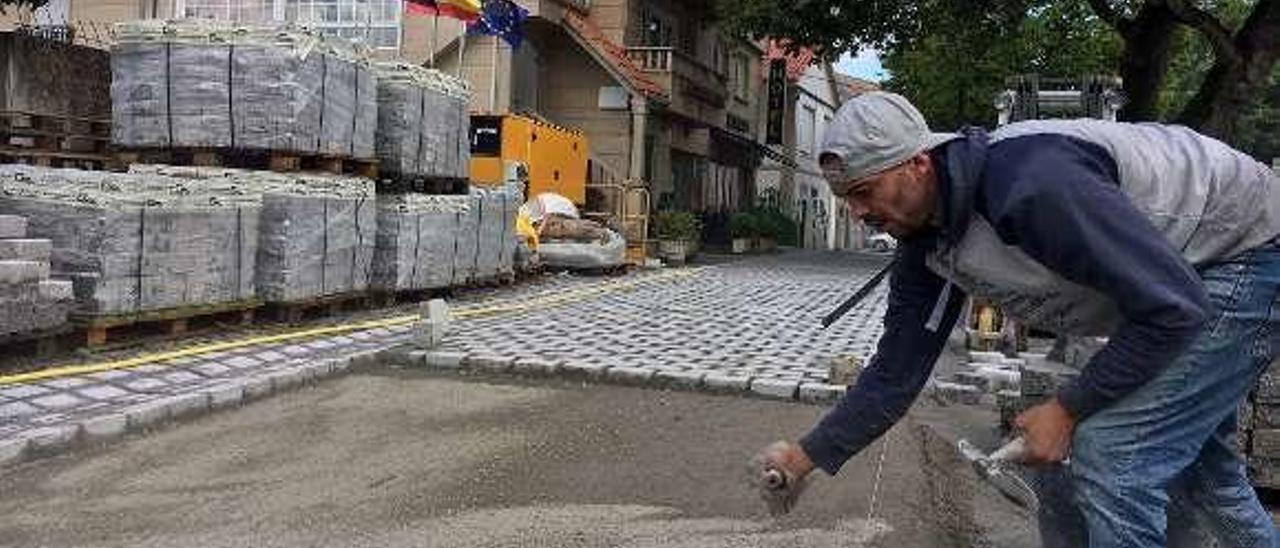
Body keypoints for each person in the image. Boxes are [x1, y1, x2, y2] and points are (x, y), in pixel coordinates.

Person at [755, 91, 1280, 547]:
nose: (859, 214)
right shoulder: (926, 241)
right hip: (1190, 275)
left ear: (917, 163)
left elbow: (1173, 307)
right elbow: (896, 374)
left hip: (1248, 248)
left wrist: (1067, 409)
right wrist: (805, 457)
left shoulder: (1031, 186)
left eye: (864, 192)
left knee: (1116, 455)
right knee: (1204, 473)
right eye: (847, 199)